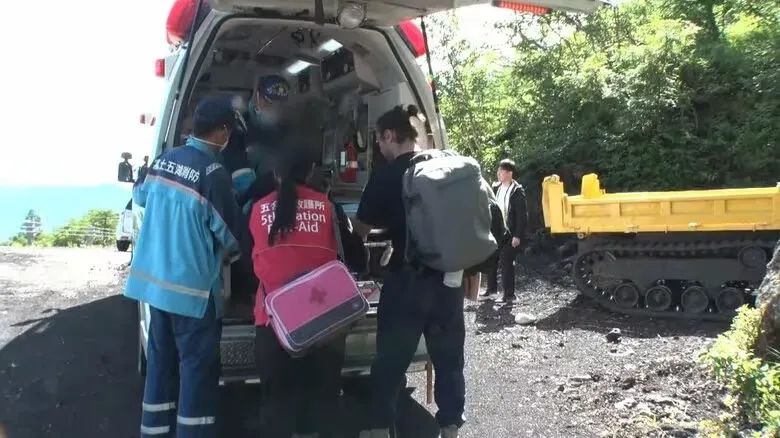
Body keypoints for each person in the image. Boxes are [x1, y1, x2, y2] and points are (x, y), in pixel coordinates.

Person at [125, 96, 245, 438]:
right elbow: (232, 237)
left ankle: (154, 432)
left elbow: (141, 198)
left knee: (160, 368)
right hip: (192, 296)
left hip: (153, 288)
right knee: (196, 375)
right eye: (229, 131)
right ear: (222, 131)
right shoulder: (214, 174)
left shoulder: (164, 161)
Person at [354, 106, 466, 438]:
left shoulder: (388, 175)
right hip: (448, 281)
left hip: (407, 284)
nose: (380, 147)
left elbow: (359, 230)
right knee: (449, 361)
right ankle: (449, 426)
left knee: (390, 361)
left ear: (389, 136)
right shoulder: (444, 166)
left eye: (379, 140)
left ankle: (378, 428)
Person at [248, 147, 346, 438]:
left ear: (276, 174)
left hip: (273, 322)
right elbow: (354, 256)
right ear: (310, 171)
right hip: (325, 323)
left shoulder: (257, 209)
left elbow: (245, 257)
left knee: (277, 406)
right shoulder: (330, 208)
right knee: (322, 403)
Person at [482, 158, 528, 303]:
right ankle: (491, 290)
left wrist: (518, 235)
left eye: (501, 171)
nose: (498, 173)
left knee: (506, 261)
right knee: (491, 259)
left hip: (510, 233)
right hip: (496, 231)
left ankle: (509, 295)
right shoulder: (496, 188)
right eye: (498, 171)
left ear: (509, 173)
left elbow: (522, 216)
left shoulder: (517, 192)